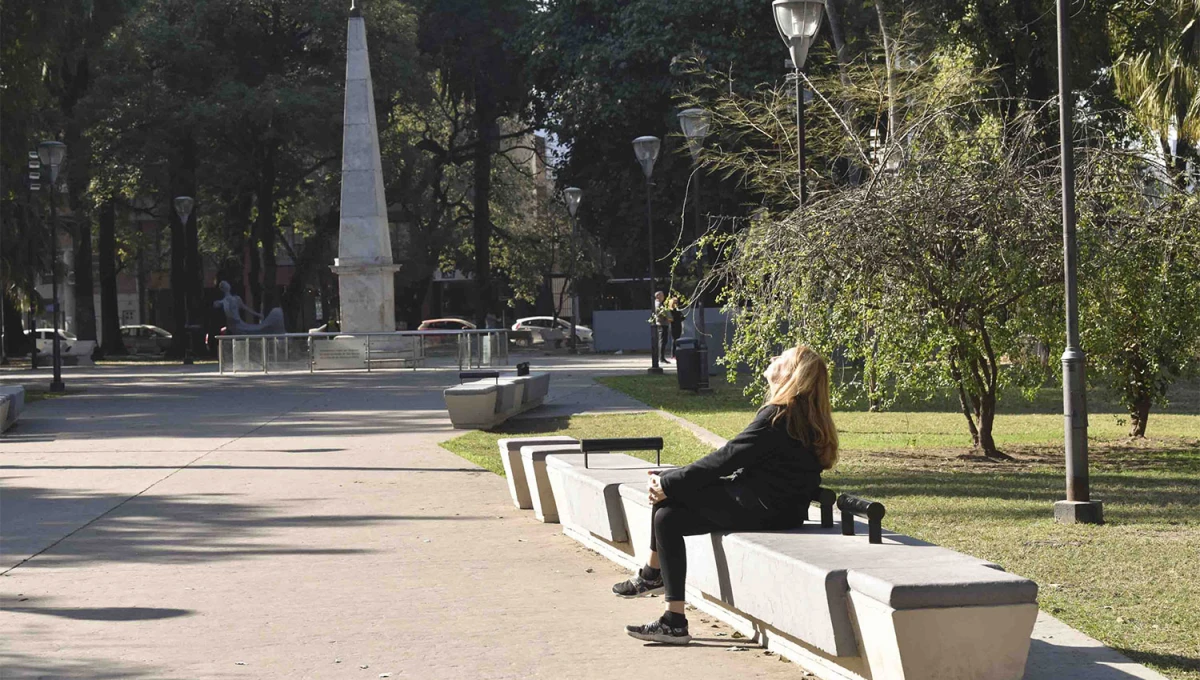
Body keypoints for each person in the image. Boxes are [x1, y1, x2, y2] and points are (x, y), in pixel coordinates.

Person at [613, 344, 840, 645]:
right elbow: (734, 461)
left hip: (760, 506)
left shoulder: (777, 416)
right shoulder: (805, 418)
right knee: (668, 511)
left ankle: (660, 591)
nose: (773, 359)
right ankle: (668, 607)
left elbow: (727, 458)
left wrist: (669, 482)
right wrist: (670, 480)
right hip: (779, 508)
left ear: (792, 374)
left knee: (669, 499)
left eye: (782, 359)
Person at [653, 291, 671, 363]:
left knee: (663, 341)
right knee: (662, 341)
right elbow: (659, 313)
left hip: (663, 323)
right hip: (662, 324)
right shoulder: (658, 304)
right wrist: (666, 316)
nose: (663, 297)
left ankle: (661, 357)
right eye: (662, 295)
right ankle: (661, 358)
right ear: (658, 296)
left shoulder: (659, 304)